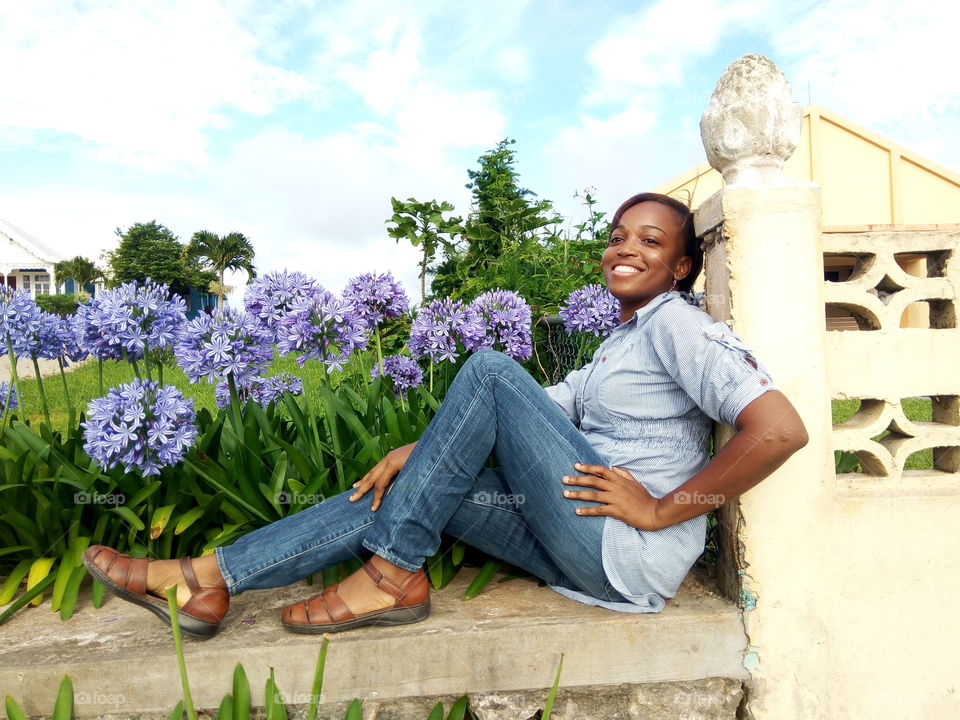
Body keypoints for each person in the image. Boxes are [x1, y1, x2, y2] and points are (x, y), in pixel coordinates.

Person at [83, 192, 808, 640]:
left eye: (651, 241)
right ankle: (207, 576)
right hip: (578, 541)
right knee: (407, 482)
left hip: (623, 549)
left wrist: (663, 510)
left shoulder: (679, 325)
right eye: (619, 235)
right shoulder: (624, 339)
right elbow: (549, 408)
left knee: (491, 368)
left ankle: (394, 572)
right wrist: (420, 449)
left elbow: (779, 430)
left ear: (682, 267)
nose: (626, 248)